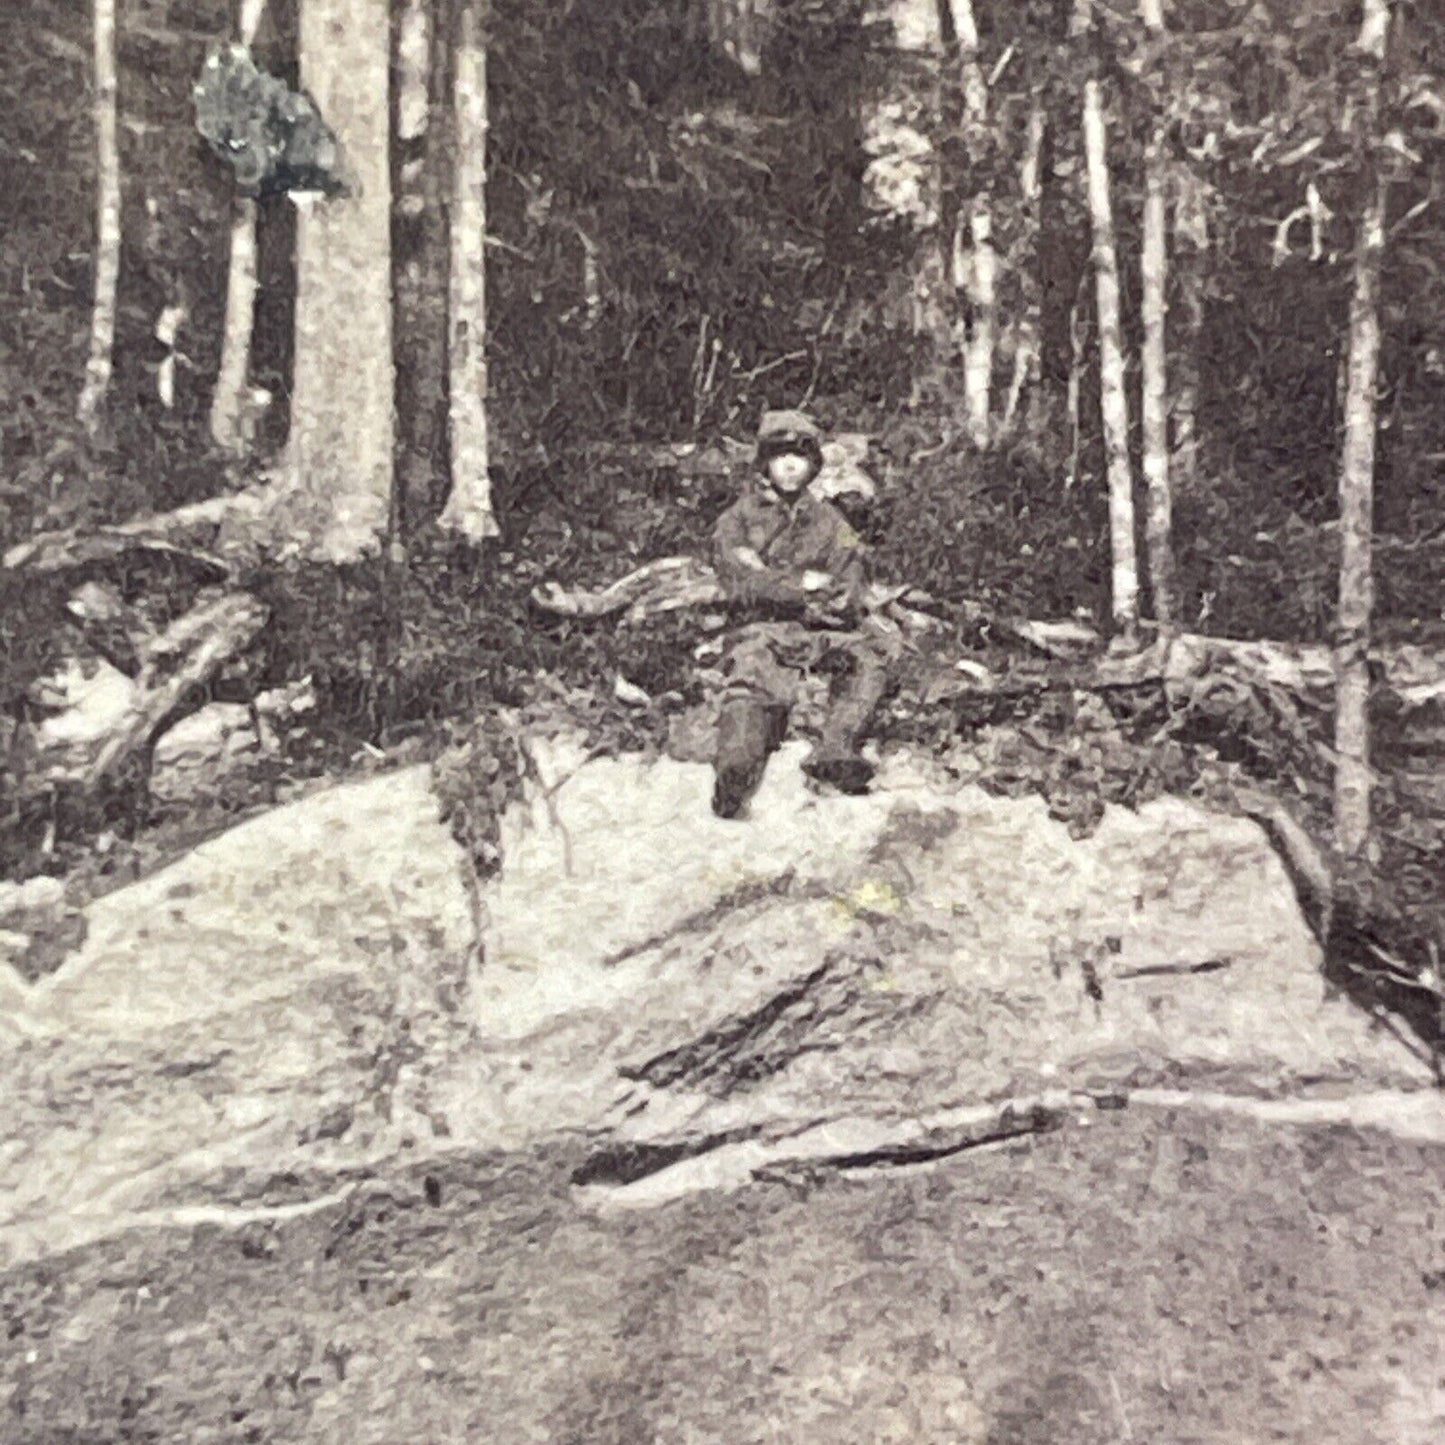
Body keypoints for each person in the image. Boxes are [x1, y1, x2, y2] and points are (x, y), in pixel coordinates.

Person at [709, 409, 899, 819]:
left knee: (870, 659)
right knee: (751, 675)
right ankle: (735, 773)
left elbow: (849, 582)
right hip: (761, 628)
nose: (791, 466)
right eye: (779, 456)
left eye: (800, 456)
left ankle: (835, 748)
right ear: (764, 463)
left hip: (819, 630)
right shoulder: (737, 520)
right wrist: (800, 586)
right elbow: (741, 581)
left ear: (814, 465)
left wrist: (809, 592)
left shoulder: (831, 522)